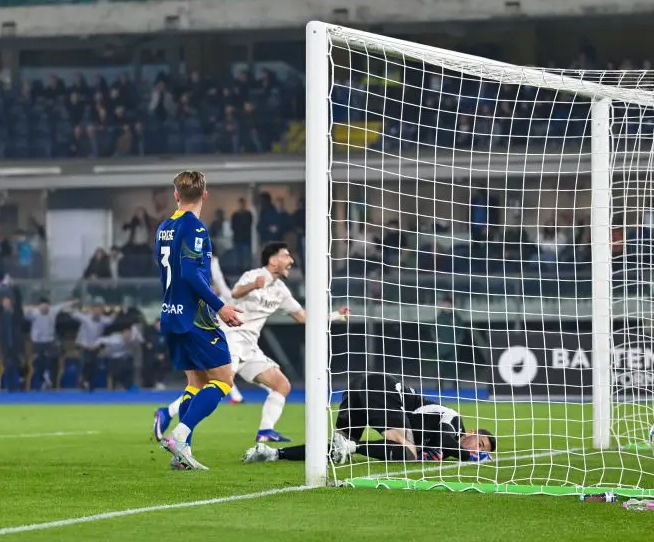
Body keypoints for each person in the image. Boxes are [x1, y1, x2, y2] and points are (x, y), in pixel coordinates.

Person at [155, 242, 337, 444]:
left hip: (250, 347)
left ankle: (266, 430)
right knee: (217, 386)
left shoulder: (281, 291)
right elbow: (235, 293)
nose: (291, 261)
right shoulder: (254, 275)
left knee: (281, 385)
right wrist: (254, 285)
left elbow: (302, 317)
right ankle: (169, 416)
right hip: (230, 339)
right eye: (286, 256)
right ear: (273, 260)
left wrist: (335, 315)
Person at [155, 170, 242, 471]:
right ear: (205, 194)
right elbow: (191, 273)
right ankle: (180, 435)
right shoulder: (196, 229)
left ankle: (183, 452)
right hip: (196, 318)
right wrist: (221, 307)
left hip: (170, 314)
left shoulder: (164, 227)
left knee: (197, 382)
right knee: (224, 380)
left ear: (176, 195)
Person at [243, 372, 495, 464]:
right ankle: (354, 447)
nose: (476, 448)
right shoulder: (453, 421)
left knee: (333, 451)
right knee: (408, 451)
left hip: (360, 390)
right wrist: (472, 457)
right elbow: (445, 439)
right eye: (480, 443)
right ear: (471, 432)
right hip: (380, 387)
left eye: (480, 449)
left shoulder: (445, 442)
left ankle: (273, 453)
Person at [70, 298, 114, 391]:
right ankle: (82, 383)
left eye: (100, 309)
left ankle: (90, 384)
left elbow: (111, 320)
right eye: (96, 308)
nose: (97, 311)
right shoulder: (85, 318)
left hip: (95, 346)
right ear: (92, 309)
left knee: (95, 366)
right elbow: (74, 314)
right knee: (85, 363)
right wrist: (73, 304)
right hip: (84, 345)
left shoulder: (105, 320)